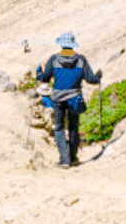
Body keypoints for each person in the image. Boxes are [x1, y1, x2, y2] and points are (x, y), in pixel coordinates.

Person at [36, 31, 102, 168]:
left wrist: (39, 73)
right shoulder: (81, 59)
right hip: (75, 98)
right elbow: (91, 79)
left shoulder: (54, 59)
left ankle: (65, 160)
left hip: (58, 99)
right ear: (72, 45)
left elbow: (45, 78)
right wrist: (98, 76)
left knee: (59, 128)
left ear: (61, 44)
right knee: (73, 128)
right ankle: (72, 158)